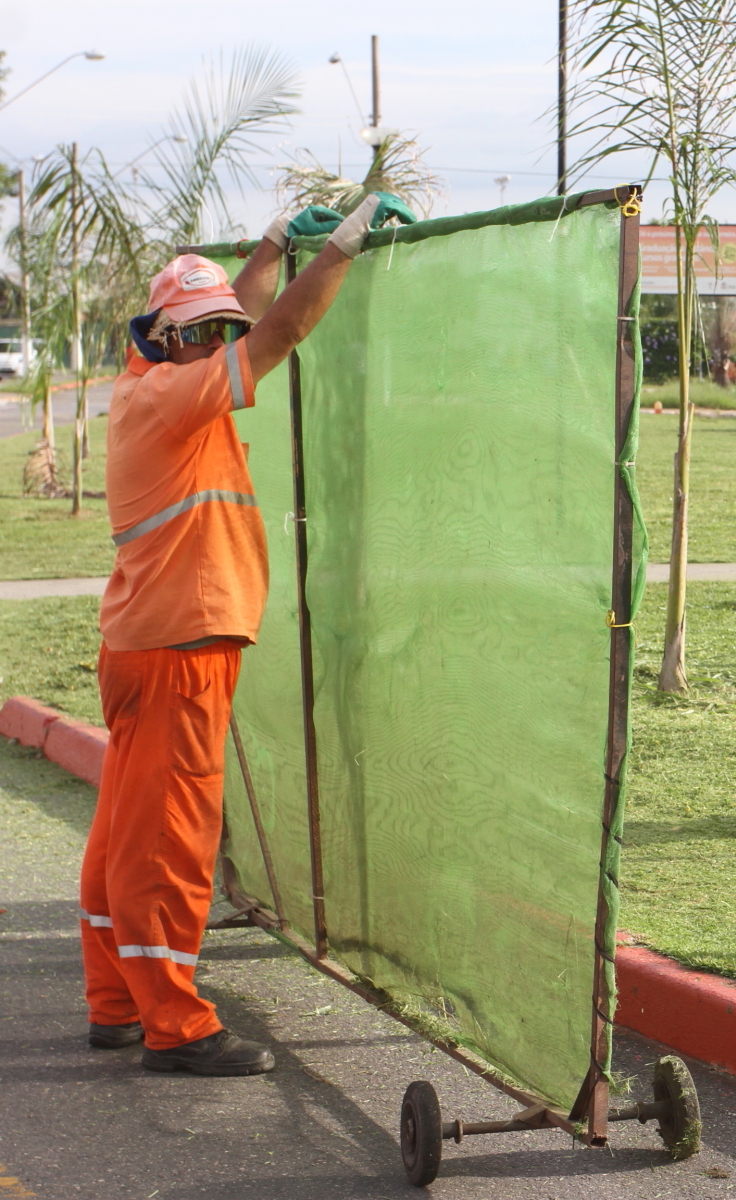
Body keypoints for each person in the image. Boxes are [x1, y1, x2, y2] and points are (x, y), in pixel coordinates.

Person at [82, 194, 415, 1077]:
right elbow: (277, 336)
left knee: (125, 828)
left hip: (148, 646)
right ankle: (175, 1025)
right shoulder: (174, 397)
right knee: (171, 839)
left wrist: (270, 244)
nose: (213, 343)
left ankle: (117, 1001)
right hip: (179, 650)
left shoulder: (156, 383)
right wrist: (342, 246)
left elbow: (244, 318)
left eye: (213, 330)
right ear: (163, 334)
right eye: (198, 332)